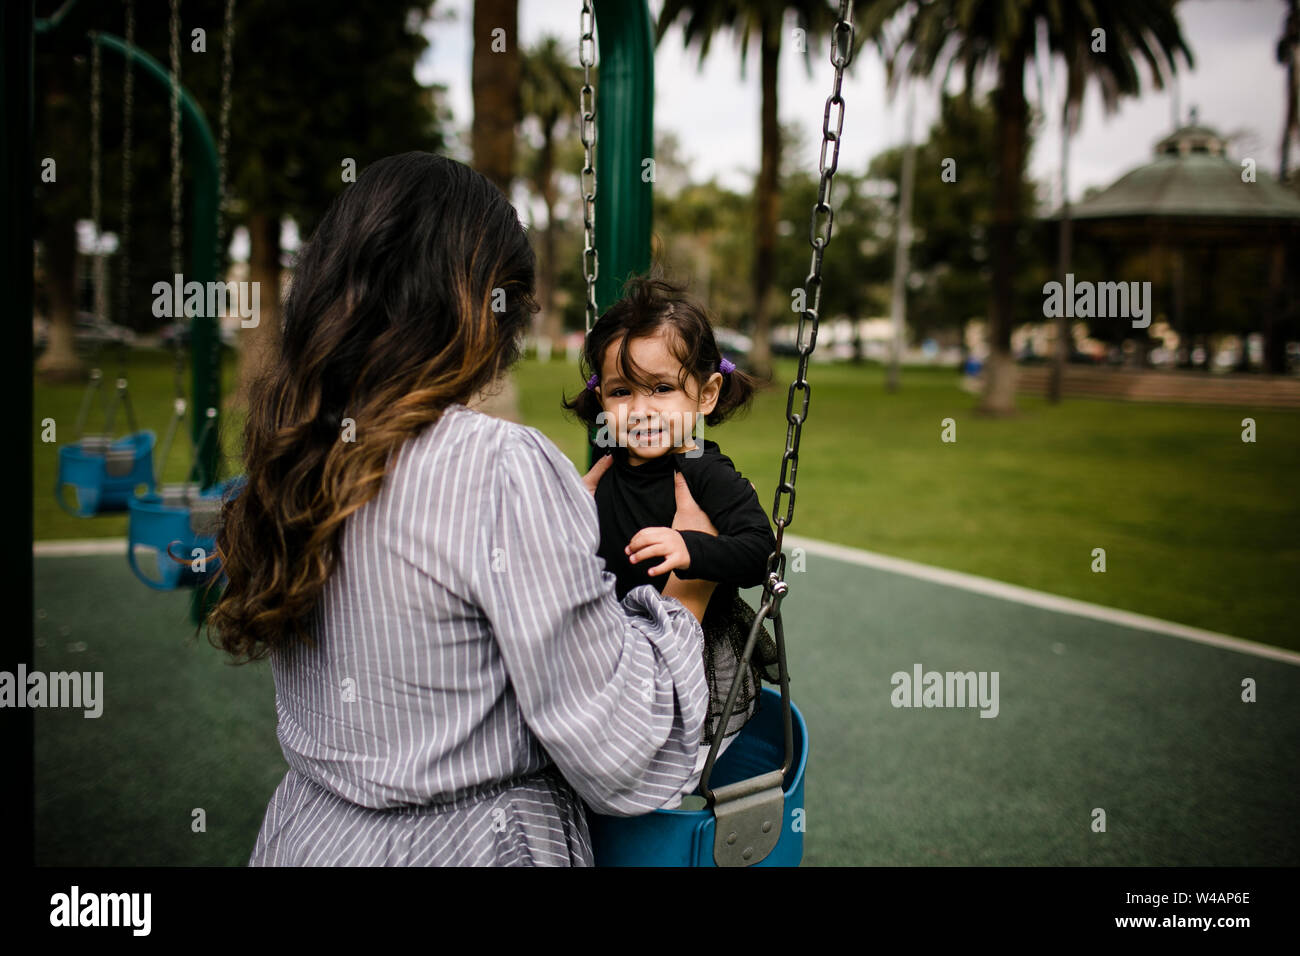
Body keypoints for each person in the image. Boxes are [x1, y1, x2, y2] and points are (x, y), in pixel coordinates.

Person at [206, 152, 721, 866]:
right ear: (478, 303)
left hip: (310, 836)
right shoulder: (501, 467)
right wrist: (687, 596)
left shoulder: (298, 447)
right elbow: (620, 749)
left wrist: (546, 544)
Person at [562, 273, 781, 809]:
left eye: (661, 388)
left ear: (705, 395)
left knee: (653, 788)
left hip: (700, 665)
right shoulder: (605, 470)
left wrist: (693, 551)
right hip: (620, 655)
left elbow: (762, 552)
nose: (640, 408)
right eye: (621, 391)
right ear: (601, 401)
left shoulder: (703, 468)